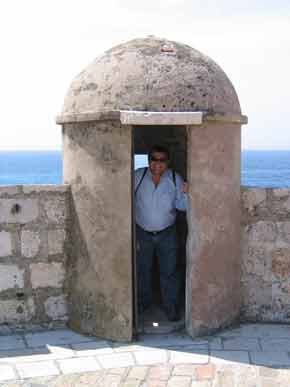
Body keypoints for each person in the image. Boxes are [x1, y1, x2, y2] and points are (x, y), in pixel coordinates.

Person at [134, 144, 188, 321]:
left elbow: (182, 206)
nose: (158, 163)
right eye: (154, 159)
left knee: (169, 271)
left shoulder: (174, 178)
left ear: (168, 162)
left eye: (162, 160)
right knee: (143, 270)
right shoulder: (138, 176)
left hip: (167, 233)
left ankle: (171, 307)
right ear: (149, 160)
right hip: (142, 233)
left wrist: (186, 193)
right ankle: (144, 304)